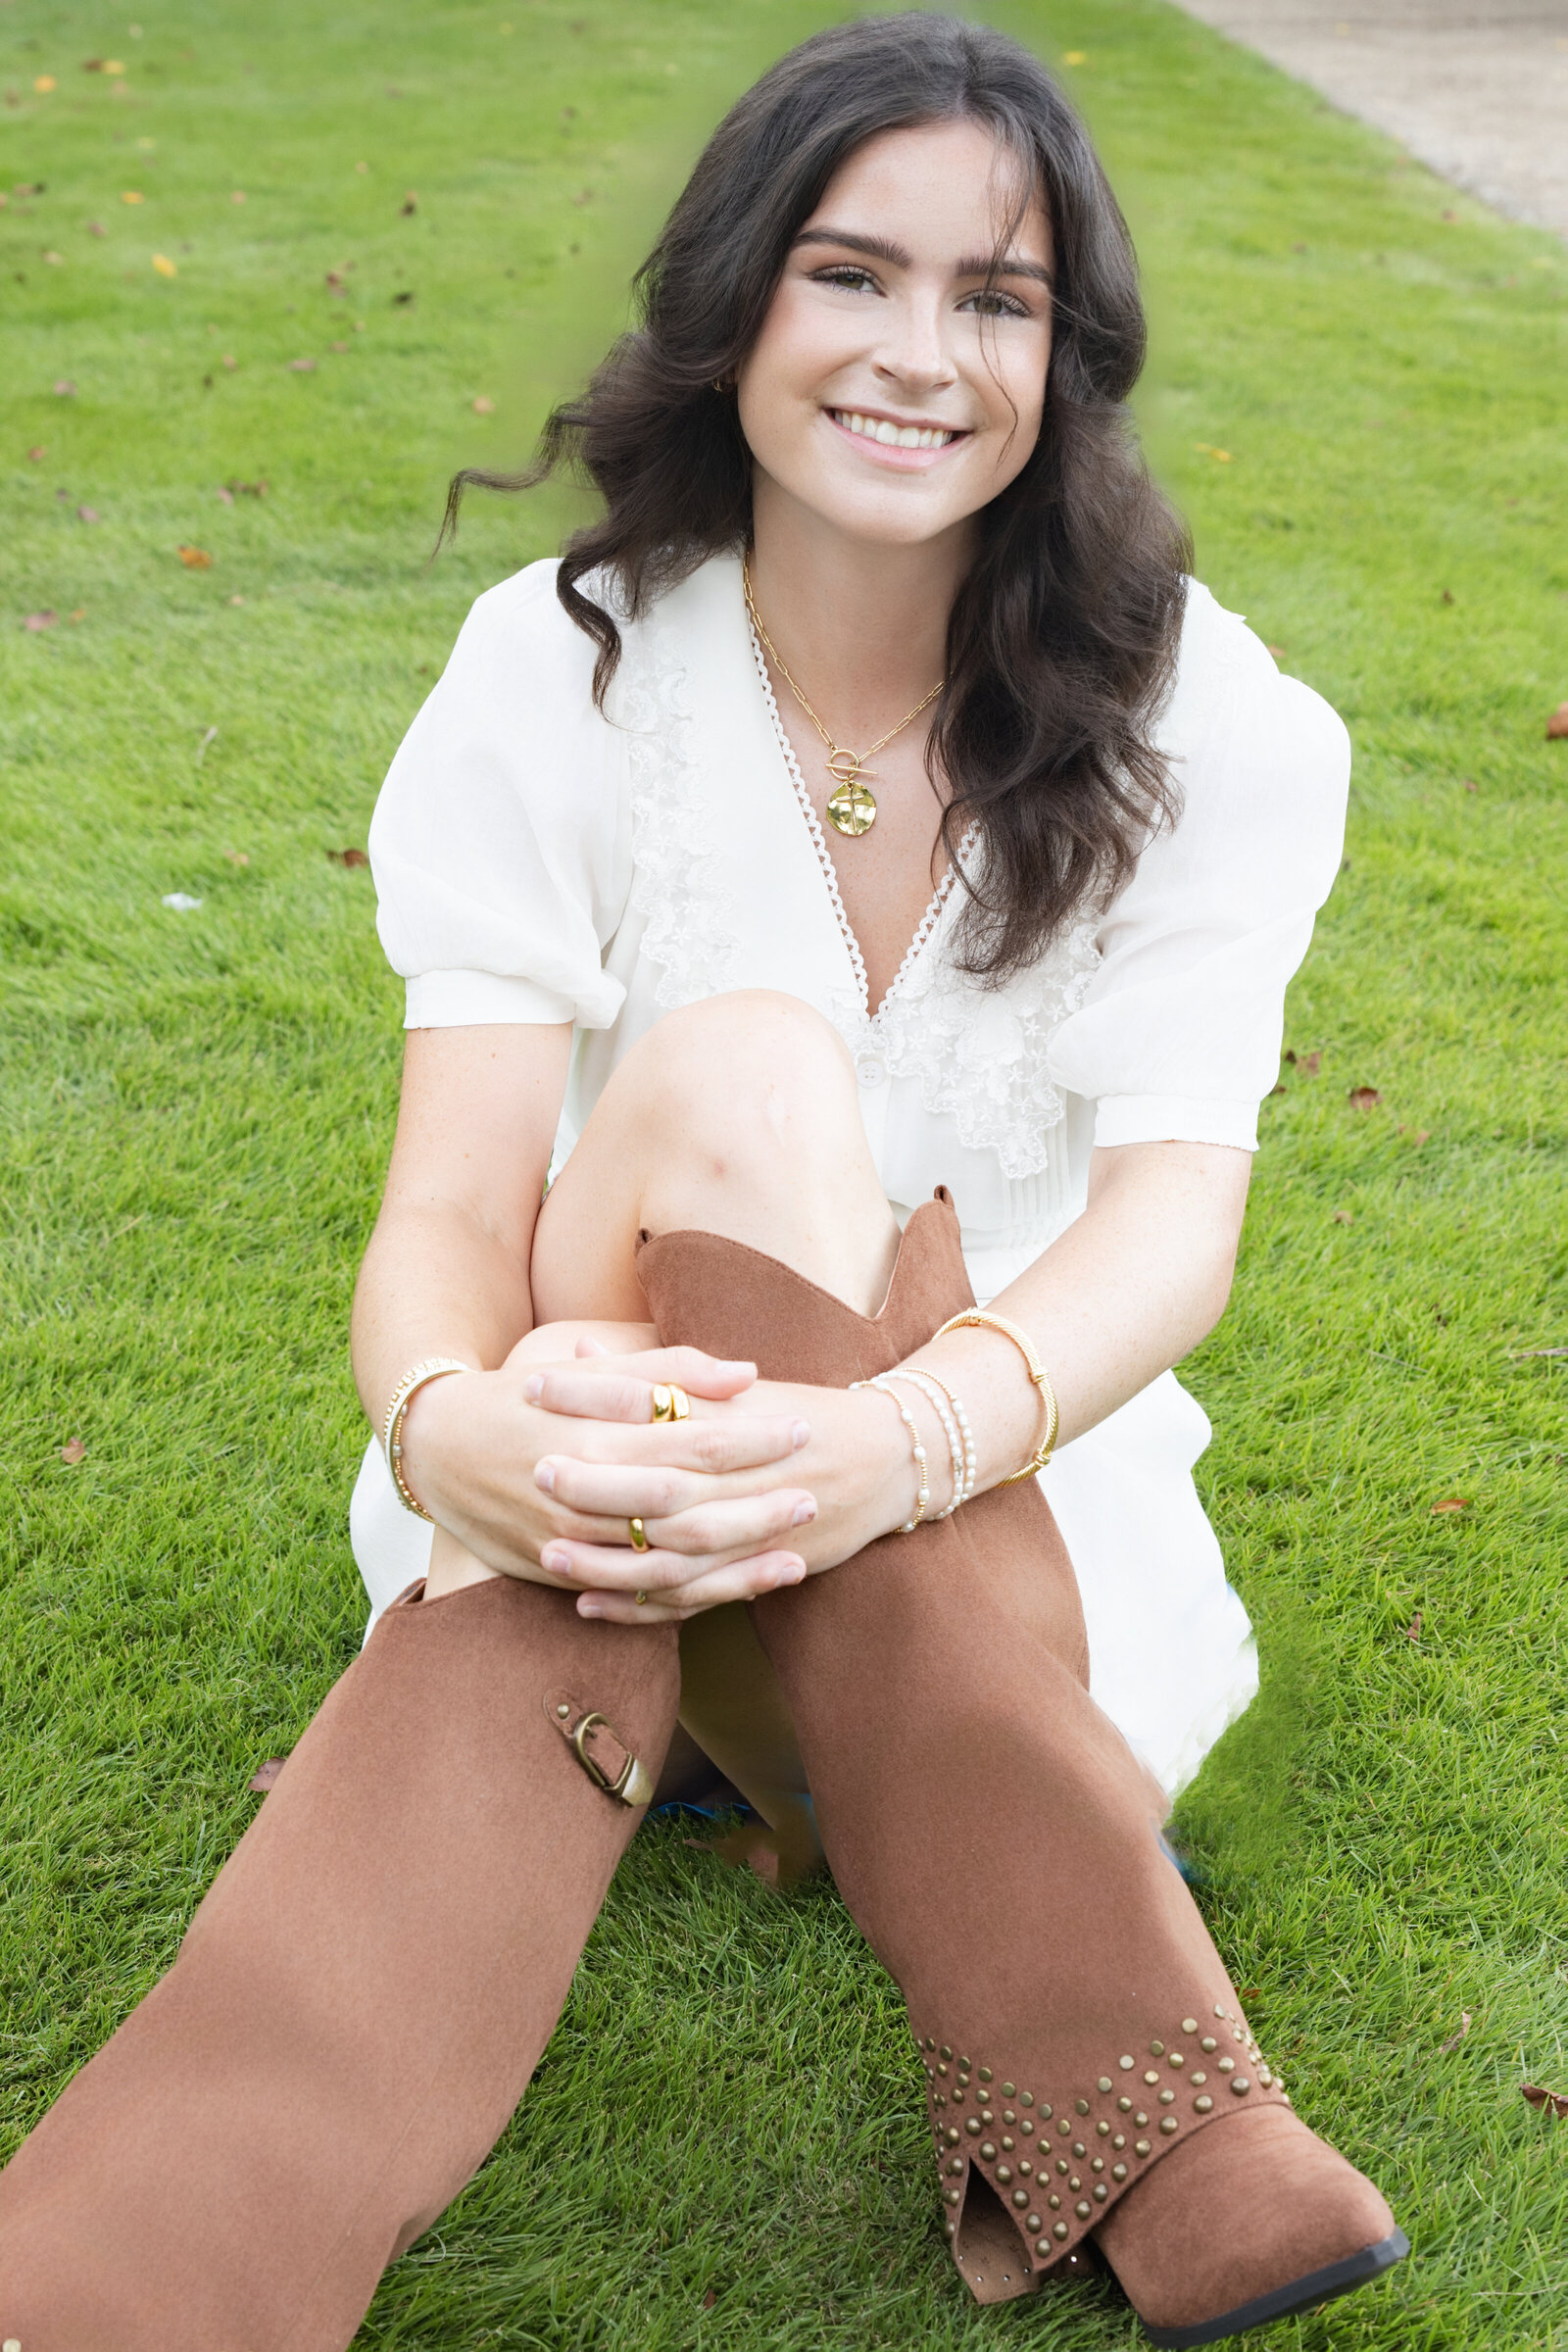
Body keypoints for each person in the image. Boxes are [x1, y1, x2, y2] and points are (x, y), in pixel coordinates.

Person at [0, 18, 1408, 2349]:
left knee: (782, 1159)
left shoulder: (1215, 724)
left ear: (1065, 361)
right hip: (571, 1456)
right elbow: (453, 1211)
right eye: (851, 275)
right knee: (745, 1067)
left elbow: (1172, 1228)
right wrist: (440, 1424)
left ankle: (144, 2262)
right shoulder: (554, 671)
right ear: (740, 296)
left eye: (996, 300)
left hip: (1004, 1514)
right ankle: (1141, 2104)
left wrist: (890, 1433)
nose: (914, 355)